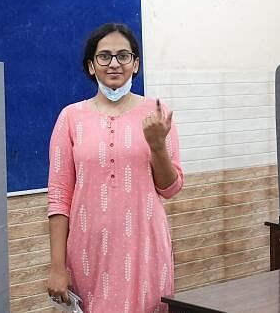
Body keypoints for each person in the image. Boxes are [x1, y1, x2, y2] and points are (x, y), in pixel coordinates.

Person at [46, 22, 184, 313]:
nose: (114, 63)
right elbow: (59, 197)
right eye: (104, 56)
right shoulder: (70, 117)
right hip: (88, 253)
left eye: (123, 56)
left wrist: (157, 144)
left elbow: (170, 189)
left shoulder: (157, 114)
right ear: (91, 66)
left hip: (145, 249)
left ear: (135, 64)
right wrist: (57, 267)